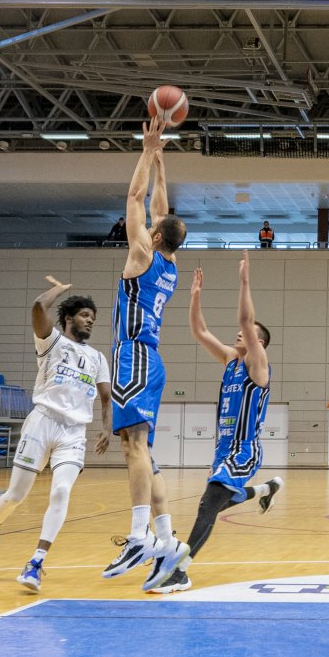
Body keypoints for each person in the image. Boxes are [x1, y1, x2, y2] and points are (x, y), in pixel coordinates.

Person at [0, 277, 112, 592]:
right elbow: (37, 306)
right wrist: (60, 289)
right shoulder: (51, 341)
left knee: (61, 492)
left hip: (73, 432)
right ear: (70, 317)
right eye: (85, 315)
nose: (90, 322)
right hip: (42, 421)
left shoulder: (99, 359)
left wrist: (107, 428)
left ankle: (36, 562)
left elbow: (106, 397)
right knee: (15, 496)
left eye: (93, 319)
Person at [102, 115, 191, 589]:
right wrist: (160, 159)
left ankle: (138, 535)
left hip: (132, 354)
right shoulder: (170, 266)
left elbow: (136, 200)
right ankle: (166, 541)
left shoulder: (142, 255)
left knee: (134, 447)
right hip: (151, 358)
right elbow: (161, 206)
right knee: (144, 452)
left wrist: (144, 149)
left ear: (155, 236)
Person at [160, 253, 284, 594]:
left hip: (245, 451)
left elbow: (247, 320)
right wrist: (195, 296)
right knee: (216, 504)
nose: (239, 335)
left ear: (259, 343)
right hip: (223, 451)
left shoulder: (258, 365)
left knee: (207, 504)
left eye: (247, 335)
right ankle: (264, 489)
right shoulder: (231, 360)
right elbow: (199, 331)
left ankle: (181, 570)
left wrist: (244, 281)